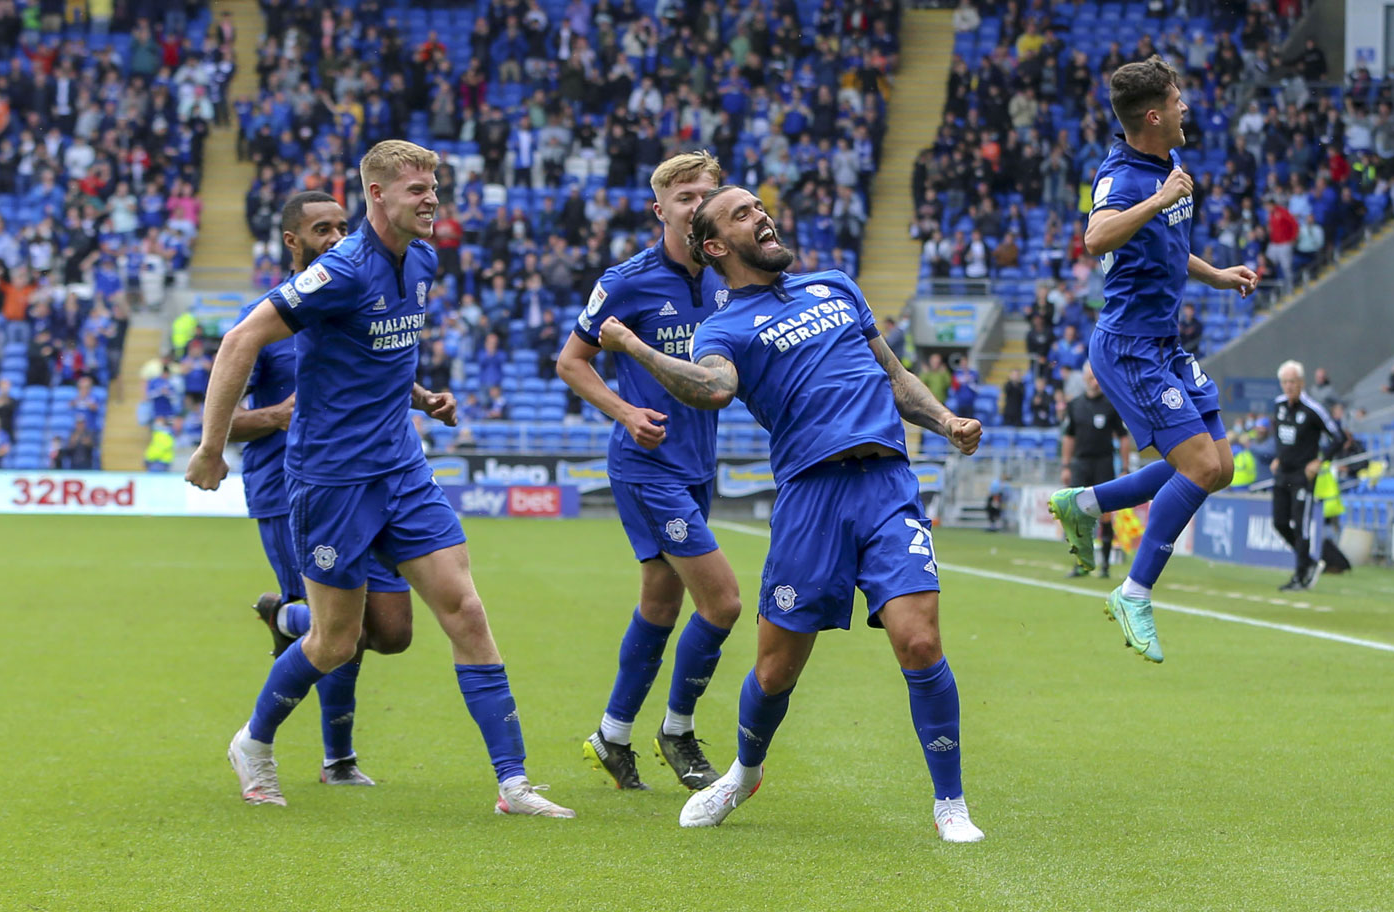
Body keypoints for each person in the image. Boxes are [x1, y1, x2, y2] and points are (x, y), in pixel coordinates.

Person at [186, 140, 573, 818]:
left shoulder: (422, 258)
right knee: (337, 641)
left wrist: (423, 399)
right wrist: (211, 448)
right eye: (417, 189)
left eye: (434, 187)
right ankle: (254, 742)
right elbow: (239, 341)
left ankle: (513, 785)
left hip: (401, 467)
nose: (432, 199)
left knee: (465, 611)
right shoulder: (338, 272)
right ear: (378, 196)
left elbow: (379, 353)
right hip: (333, 479)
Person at [597, 184, 986, 842]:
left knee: (919, 641)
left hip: (888, 483)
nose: (763, 216)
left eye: (760, 207)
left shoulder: (836, 286)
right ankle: (745, 772)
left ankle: (950, 803)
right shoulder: (722, 329)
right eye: (744, 214)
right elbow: (715, 387)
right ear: (717, 246)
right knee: (777, 670)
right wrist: (633, 347)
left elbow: (893, 375)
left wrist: (945, 420)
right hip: (810, 498)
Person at [1043, 56, 1259, 660]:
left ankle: (1083, 503)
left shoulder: (1168, 164)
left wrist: (1215, 275)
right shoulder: (1124, 176)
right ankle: (1134, 591)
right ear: (1155, 114)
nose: (1187, 106)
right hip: (1130, 348)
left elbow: (1165, 245)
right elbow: (1097, 237)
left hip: (1163, 344)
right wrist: (1160, 197)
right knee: (1196, 469)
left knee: (1219, 466)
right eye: (1179, 97)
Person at [230, 190, 448, 787]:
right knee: (340, 632)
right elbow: (218, 419)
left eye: (340, 226)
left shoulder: (356, 290)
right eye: (319, 229)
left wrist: (422, 396)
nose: (333, 237)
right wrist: (275, 415)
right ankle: (338, 758)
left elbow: (368, 371)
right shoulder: (268, 323)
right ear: (291, 242)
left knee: (389, 632)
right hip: (288, 486)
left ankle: (285, 620)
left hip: (370, 479)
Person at [558, 152, 740, 792]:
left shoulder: (728, 274)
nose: (698, 205)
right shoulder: (627, 280)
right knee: (722, 602)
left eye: (707, 194)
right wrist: (626, 411)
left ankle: (610, 736)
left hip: (698, 464)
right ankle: (678, 730)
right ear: (659, 208)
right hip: (647, 464)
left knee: (660, 605)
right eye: (685, 196)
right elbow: (572, 361)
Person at [1266, 360, 1341, 590]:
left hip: (1302, 475)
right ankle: (1308, 562)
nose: (1289, 386)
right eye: (1285, 382)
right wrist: (1278, 456)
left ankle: (1301, 576)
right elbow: (1280, 434)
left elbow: (1338, 437)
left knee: (1301, 526)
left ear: (1301, 383)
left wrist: (1320, 460)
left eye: (1293, 382)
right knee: (1279, 522)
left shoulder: (1313, 409)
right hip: (1283, 473)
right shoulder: (1278, 405)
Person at [1059, 363, 1135, 579]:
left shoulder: (1111, 405)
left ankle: (1105, 567)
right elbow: (1068, 436)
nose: (1095, 382)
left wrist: (1125, 467)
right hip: (1080, 463)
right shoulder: (1074, 406)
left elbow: (1122, 437)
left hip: (1104, 463)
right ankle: (1082, 563)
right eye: (1091, 378)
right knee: (1078, 515)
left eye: (1097, 378)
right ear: (1084, 379)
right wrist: (1065, 465)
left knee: (1105, 514)